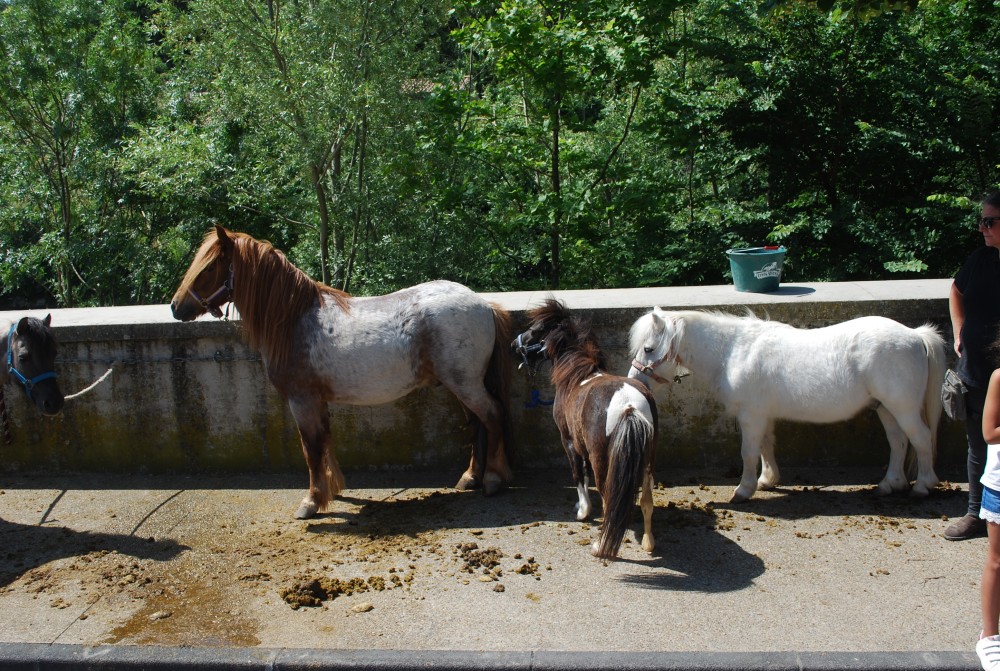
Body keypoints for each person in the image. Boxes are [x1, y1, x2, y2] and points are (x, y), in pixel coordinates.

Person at [947, 190, 1000, 541]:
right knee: (977, 446)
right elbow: (956, 290)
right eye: (981, 221)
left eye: (990, 221)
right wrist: (959, 332)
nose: (981, 228)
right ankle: (975, 513)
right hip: (977, 371)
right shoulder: (981, 259)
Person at [976, 358, 1000, 669]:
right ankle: (990, 636)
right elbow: (989, 432)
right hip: (999, 485)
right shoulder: (999, 376)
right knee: (997, 560)